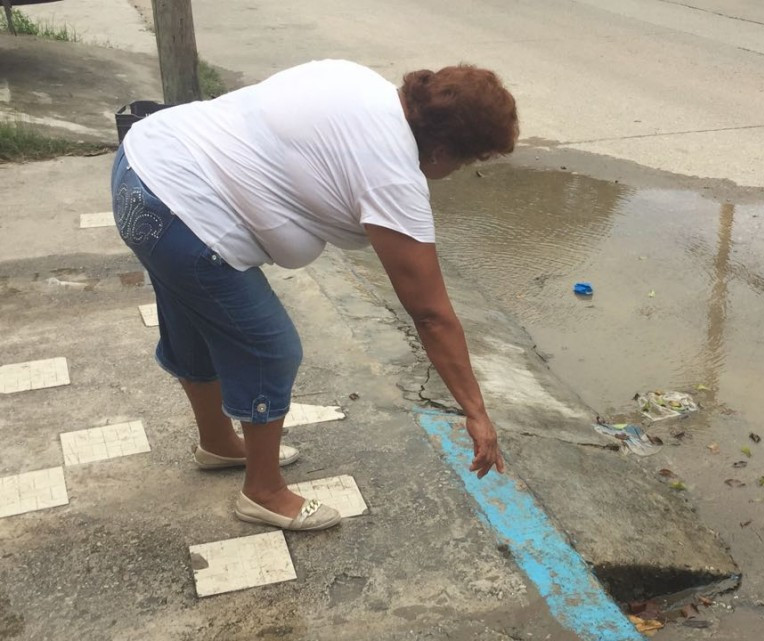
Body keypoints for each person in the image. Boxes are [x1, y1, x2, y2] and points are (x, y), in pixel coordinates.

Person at [111, 60, 517, 531]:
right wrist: (476, 412)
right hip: (182, 213)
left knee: (197, 317)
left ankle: (218, 443)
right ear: (443, 150)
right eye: (466, 162)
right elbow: (430, 315)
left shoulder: (359, 80)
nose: (460, 170)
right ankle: (263, 493)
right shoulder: (392, 175)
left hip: (139, 167)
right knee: (270, 348)